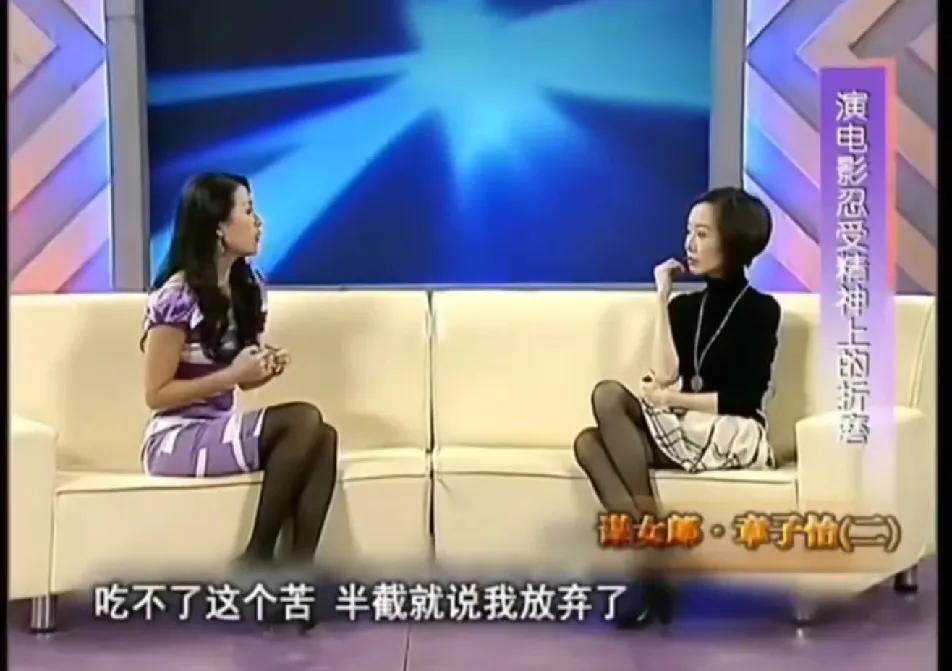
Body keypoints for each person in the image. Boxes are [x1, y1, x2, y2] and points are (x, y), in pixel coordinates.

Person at [573, 186, 781, 628]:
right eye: (689, 232)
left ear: (733, 242)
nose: (690, 243)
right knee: (588, 442)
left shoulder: (761, 310)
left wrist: (672, 400)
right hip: (687, 428)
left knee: (608, 396)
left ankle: (650, 562)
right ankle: (656, 557)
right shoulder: (687, 307)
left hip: (730, 432)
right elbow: (664, 373)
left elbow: (745, 398)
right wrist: (661, 297)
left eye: (702, 234)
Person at [139, 174, 337, 625]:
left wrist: (258, 369)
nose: (259, 221)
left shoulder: (249, 288)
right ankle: (257, 556)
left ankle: (296, 581)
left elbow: (239, 383)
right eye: (248, 210)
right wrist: (231, 375)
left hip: (219, 429)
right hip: (174, 439)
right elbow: (156, 394)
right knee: (303, 418)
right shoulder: (176, 296)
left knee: (323, 436)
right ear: (217, 227)